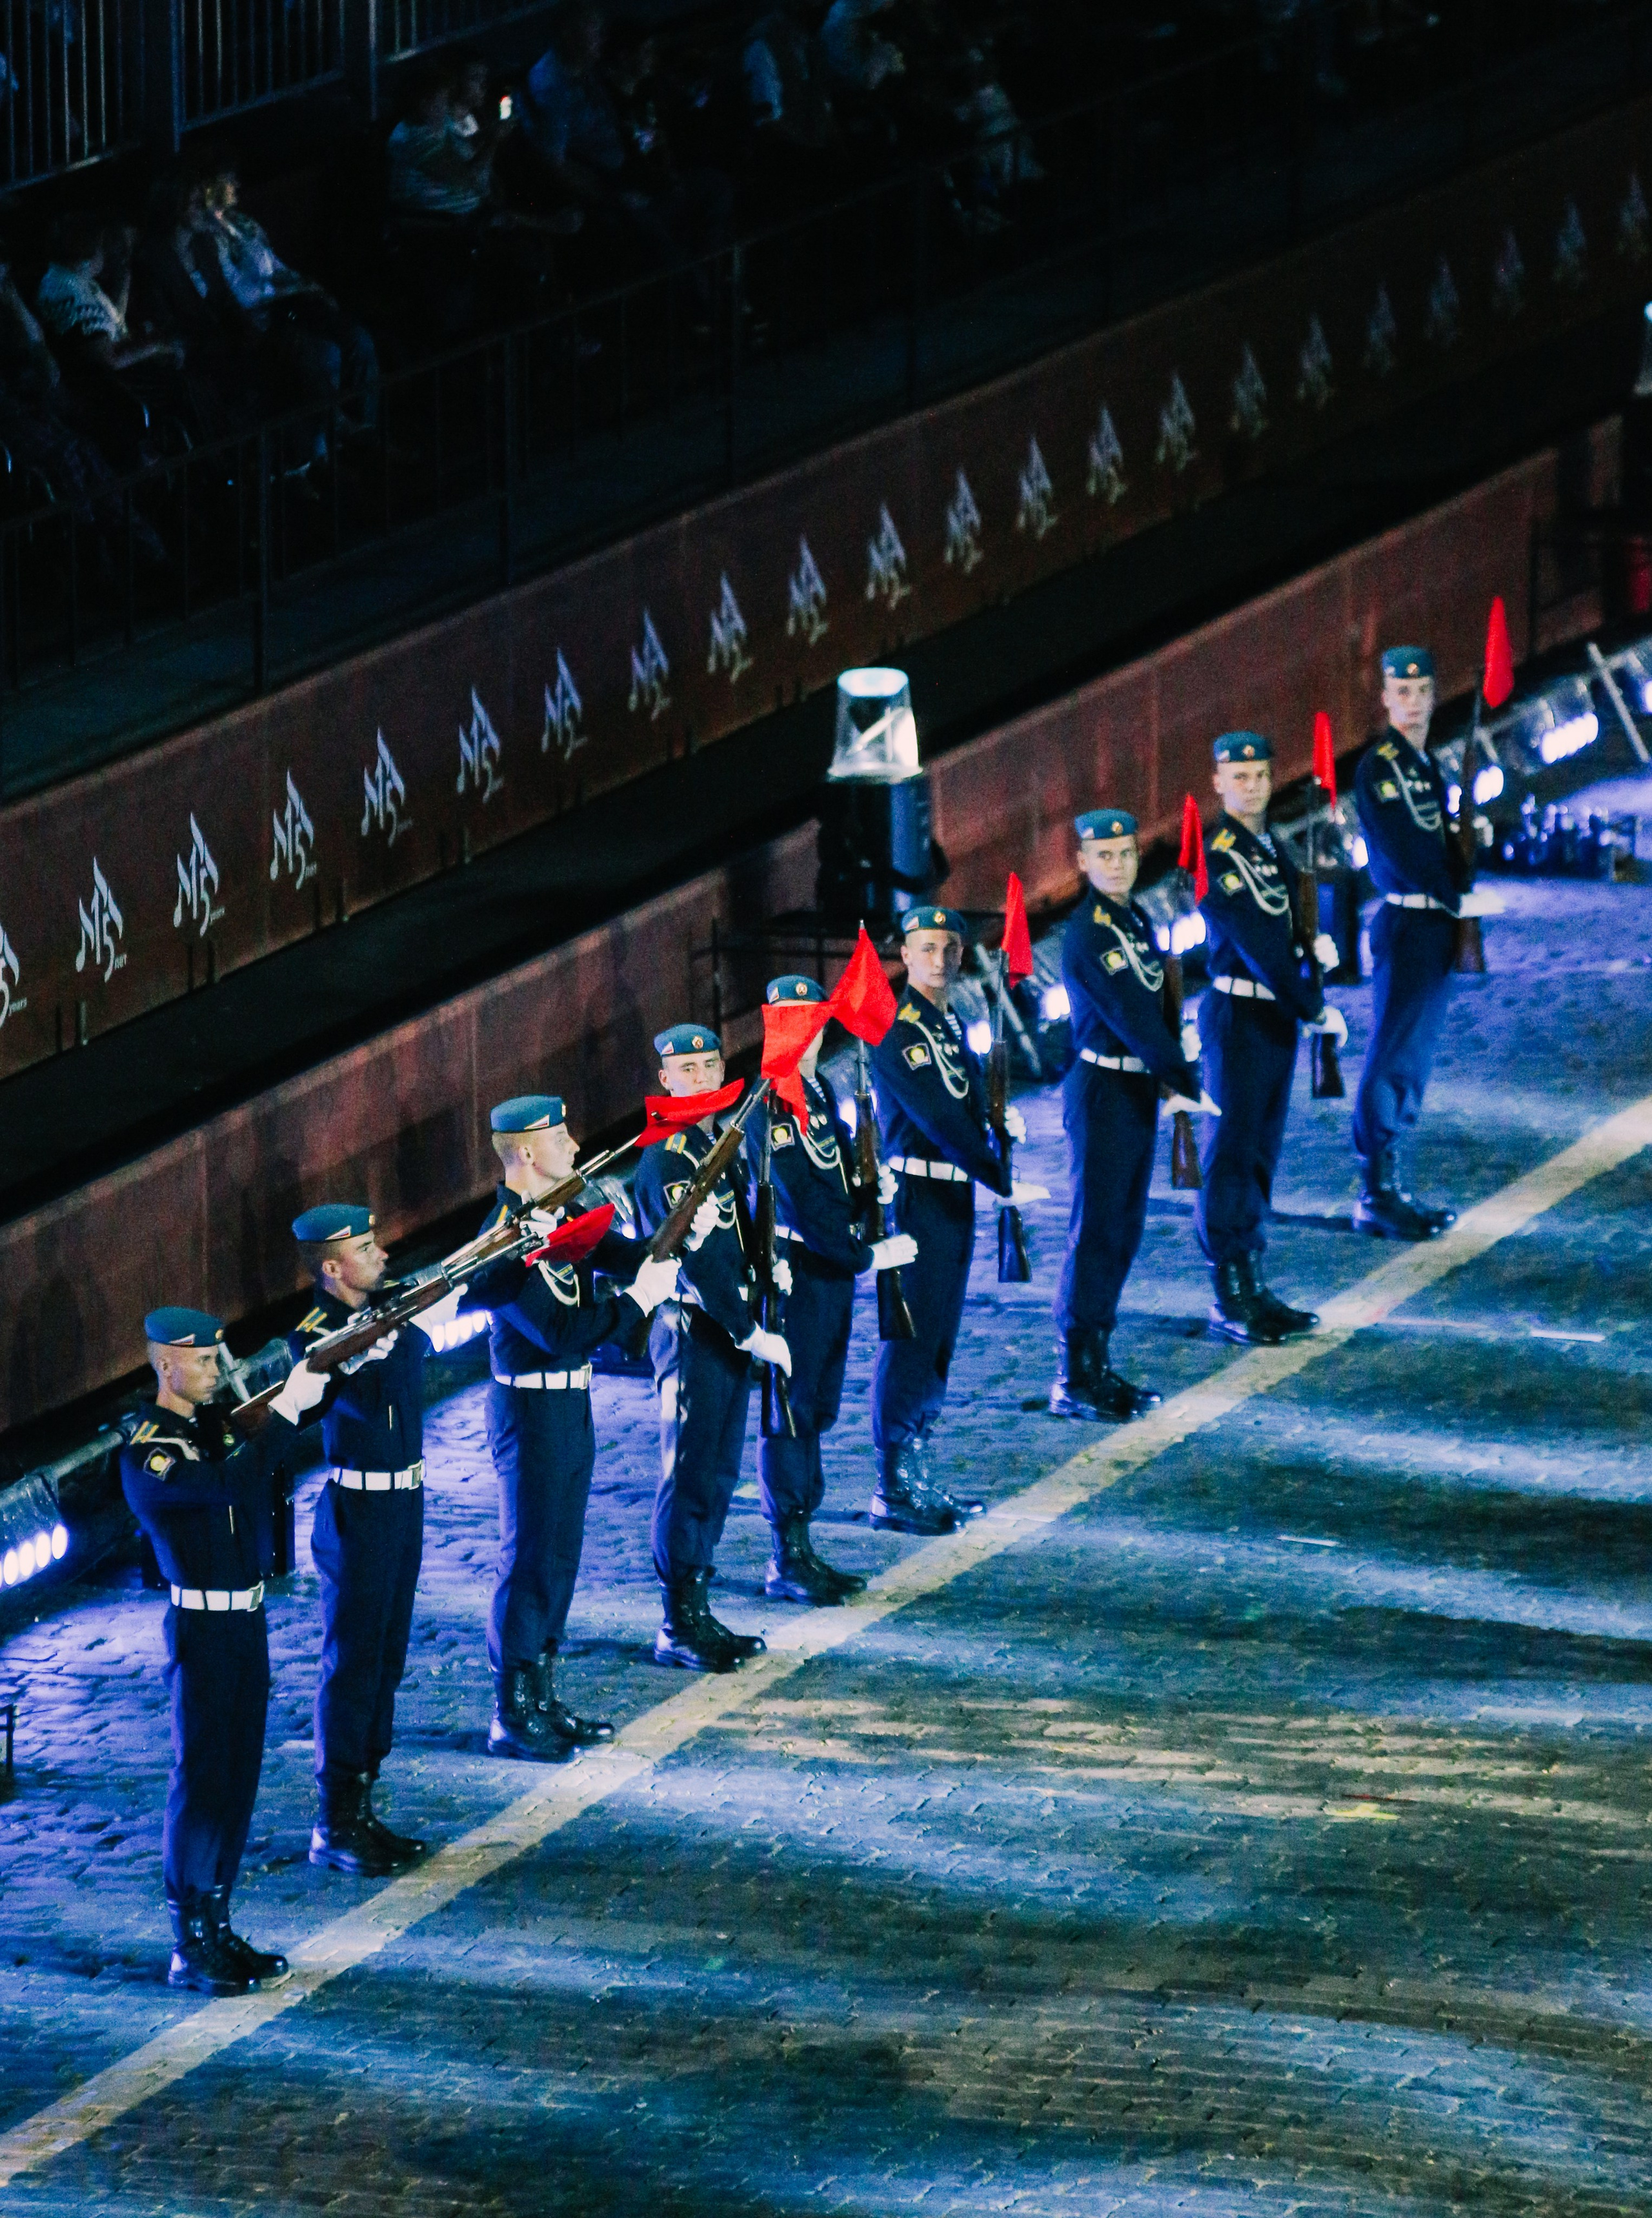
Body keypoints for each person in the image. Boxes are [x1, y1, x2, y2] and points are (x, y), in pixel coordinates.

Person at [460, 1094, 681, 1755]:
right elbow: (558, 1330)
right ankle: (512, 1706)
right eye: (560, 1137)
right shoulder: (503, 1238)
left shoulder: (559, 1212)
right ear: (525, 1152)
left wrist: (667, 1243)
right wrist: (635, 1304)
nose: (576, 1145)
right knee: (529, 1554)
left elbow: (622, 1253)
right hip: (531, 1409)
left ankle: (543, 1692)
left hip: (567, 1404)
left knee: (560, 1552)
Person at [119, 1307, 327, 1994]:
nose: (217, 1371)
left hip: (246, 1623)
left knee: (238, 1774)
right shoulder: (151, 1450)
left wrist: (322, 1379)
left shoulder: (213, 1431)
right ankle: (189, 1938)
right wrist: (286, 1414)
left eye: (217, 1359)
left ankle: (219, 1918)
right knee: (203, 1776)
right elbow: (227, 1487)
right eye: (204, 1362)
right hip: (203, 1630)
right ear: (166, 1365)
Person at [870, 907, 1046, 1529]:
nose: (940, 959)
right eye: (927, 947)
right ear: (905, 955)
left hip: (953, 1198)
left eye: (950, 947)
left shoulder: (945, 1023)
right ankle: (894, 1484)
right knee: (912, 1338)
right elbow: (939, 1121)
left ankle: (918, 1466)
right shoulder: (898, 1028)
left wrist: (1001, 1130)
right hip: (920, 1197)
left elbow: (969, 1104)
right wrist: (999, 1176)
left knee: (939, 1336)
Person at [751, 975, 918, 1602]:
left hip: (830, 1273)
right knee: (789, 1410)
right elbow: (800, 1198)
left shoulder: (817, 1092)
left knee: (815, 1404)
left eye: (815, 1020)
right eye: (793, 1021)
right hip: (799, 1272)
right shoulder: (773, 1103)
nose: (809, 1033)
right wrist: (863, 1252)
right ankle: (787, 1554)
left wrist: (872, 1190)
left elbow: (838, 1176)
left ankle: (804, 1545)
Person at [632, 1025, 788, 1671]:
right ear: (665, 1081)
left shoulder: (715, 1143)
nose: (700, 1078)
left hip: (728, 1327)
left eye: (708, 1065)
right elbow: (692, 1259)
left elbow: (737, 1231)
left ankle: (698, 1605)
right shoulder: (666, 1157)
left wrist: (765, 1268)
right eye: (686, 1070)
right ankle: (678, 1619)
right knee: (691, 1472)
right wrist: (746, 1326)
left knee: (720, 1471)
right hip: (696, 1330)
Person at [1052, 809, 1211, 1417]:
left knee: (1122, 1228)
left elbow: (1153, 1002)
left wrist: (1173, 1059)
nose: (1118, 865)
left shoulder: (1132, 918)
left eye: (1125, 854)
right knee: (1096, 1229)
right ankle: (1075, 1373)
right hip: (1103, 1090)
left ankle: (1099, 1360)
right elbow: (1130, 1015)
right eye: (1105, 856)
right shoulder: (1089, 932)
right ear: (1083, 863)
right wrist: (1183, 1072)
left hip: (1135, 1089)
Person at [288, 1205, 430, 1880]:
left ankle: (366, 1799)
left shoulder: (392, 1308)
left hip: (405, 1499)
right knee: (352, 1660)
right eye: (366, 1248)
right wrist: (352, 1360)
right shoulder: (314, 1334)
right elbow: (319, 1402)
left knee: (387, 1654)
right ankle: (335, 1817)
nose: (382, 1254)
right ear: (332, 1268)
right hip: (361, 1503)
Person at [1196, 734, 1347, 1341]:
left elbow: (1291, 923)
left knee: (1260, 1152)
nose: (1252, 785)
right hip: (1241, 1016)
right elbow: (1259, 942)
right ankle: (1228, 1291)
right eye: (1240, 776)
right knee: (1231, 1152)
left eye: (1260, 774)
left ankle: (1252, 1279)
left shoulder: (1268, 846)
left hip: (1272, 1018)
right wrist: (1311, 1003)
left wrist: (1314, 945)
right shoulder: (1222, 854)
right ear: (1219, 783)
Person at [1352, 647, 1474, 1238]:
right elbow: (1405, 848)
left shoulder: (1423, 763)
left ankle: (1389, 1180)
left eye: (1422, 690)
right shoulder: (1383, 767)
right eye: (1402, 691)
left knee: (1414, 1054)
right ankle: (1377, 1187)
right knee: (1395, 1051)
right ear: (1386, 698)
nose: (1414, 701)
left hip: (1433, 921)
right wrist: (1457, 892)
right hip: (1411, 920)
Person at [201, 161, 380, 438]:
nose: (237, 184)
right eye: (229, 179)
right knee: (323, 354)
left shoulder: (242, 223)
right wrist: (291, 290)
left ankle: (367, 430)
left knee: (359, 338)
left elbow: (275, 267)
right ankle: (336, 444)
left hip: (289, 304)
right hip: (262, 318)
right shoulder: (207, 239)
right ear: (210, 186)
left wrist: (307, 285)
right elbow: (242, 293)